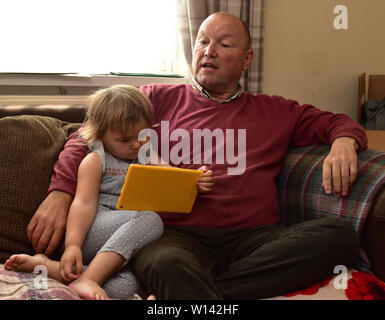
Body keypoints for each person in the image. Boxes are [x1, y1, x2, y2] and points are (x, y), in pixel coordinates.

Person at [26, 12, 367, 299]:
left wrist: (344, 142)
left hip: (253, 237)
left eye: (224, 44)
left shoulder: (276, 110)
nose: (209, 51)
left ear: (247, 59)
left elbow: (338, 123)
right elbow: (86, 135)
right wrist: (61, 192)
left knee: (339, 236)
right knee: (165, 265)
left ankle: (202, 294)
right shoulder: (153, 99)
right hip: (174, 237)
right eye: (203, 41)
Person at [4, 84, 214, 300]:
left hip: (120, 240)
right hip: (91, 231)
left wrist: (197, 179)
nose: (136, 145)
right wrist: (72, 246)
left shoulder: (145, 153)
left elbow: (171, 175)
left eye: (143, 136)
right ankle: (89, 279)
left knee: (127, 286)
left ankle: (53, 269)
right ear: (101, 135)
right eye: (124, 140)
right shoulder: (96, 160)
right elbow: (83, 203)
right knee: (151, 219)